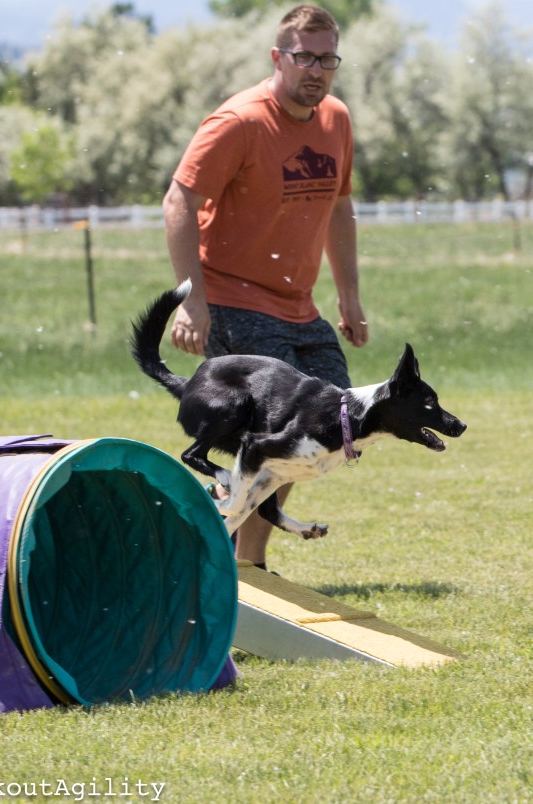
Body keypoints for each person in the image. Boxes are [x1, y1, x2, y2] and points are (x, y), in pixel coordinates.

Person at [162, 4, 368, 572]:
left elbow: (339, 207)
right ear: (278, 57)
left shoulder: (336, 119)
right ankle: (240, 562)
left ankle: (243, 554)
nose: (316, 70)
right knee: (281, 428)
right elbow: (179, 201)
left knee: (328, 423)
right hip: (232, 297)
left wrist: (349, 295)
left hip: (299, 306)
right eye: (304, 58)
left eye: (327, 59)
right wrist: (192, 301)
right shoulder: (239, 122)